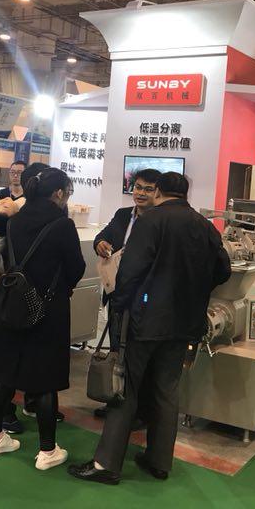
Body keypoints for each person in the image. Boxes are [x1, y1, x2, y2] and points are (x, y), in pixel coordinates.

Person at [69, 172, 231, 485]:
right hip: (186, 323)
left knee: (125, 388)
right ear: (185, 194)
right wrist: (195, 291)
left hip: (144, 320)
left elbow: (130, 271)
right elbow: (223, 270)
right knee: (167, 391)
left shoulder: (151, 221)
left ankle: (106, 465)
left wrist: (120, 306)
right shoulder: (205, 226)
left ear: (158, 192)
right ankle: (159, 461)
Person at [0, 168, 85, 471]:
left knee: (3, 373)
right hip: (47, 309)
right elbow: (76, 268)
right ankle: (47, 450)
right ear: (58, 193)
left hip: (12, 304)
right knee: (45, 379)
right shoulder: (63, 225)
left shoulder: (14, 221)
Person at [92, 168, 160, 420]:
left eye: (148, 189)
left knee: (138, 356)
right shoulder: (123, 215)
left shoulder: (159, 220)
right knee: (116, 351)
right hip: (118, 295)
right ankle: (115, 399)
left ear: (158, 193)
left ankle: (139, 410)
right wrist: (99, 243)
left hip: (145, 299)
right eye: (138, 187)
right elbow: (103, 236)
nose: (141, 193)